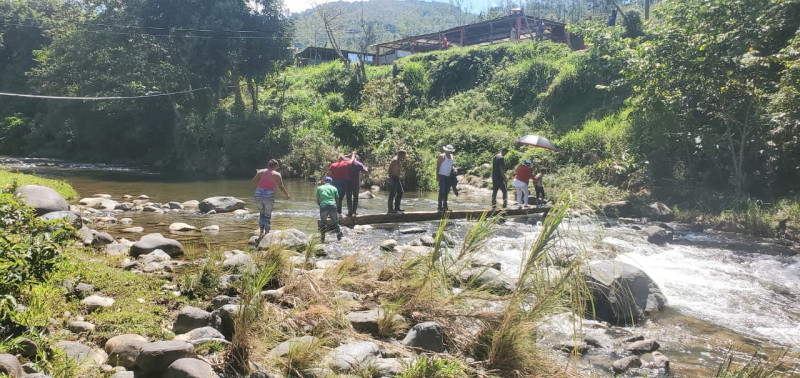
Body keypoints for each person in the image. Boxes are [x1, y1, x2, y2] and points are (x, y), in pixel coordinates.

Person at [252, 159, 290, 241]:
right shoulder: (277, 175)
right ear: (275, 166)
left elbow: (253, 181)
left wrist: (259, 175)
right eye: (278, 165)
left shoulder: (260, 171)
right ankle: (267, 234)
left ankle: (261, 232)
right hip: (268, 195)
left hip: (258, 194)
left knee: (262, 213)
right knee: (267, 215)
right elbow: (280, 187)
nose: (278, 167)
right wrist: (286, 194)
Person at [316, 177, 342, 242]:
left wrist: (320, 205)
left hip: (323, 206)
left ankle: (322, 239)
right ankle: (339, 239)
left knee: (323, 223)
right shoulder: (334, 188)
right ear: (331, 182)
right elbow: (337, 199)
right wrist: (336, 207)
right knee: (336, 223)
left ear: (324, 181)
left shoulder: (319, 188)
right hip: (332, 206)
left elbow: (318, 200)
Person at [346, 151, 368, 217]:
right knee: (355, 197)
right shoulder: (359, 164)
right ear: (357, 158)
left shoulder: (347, 162)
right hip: (355, 183)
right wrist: (366, 167)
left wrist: (350, 154)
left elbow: (342, 156)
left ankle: (349, 212)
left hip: (348, 183)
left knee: (348, 197)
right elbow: (366, 172)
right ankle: (354, 212)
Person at [436, 144, 455, 212]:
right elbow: (437, 166)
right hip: (442, 175)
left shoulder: (452, 156)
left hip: (448, 176)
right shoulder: (441, 156)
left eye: (449, 151)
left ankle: (445, 206)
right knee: (442, 191)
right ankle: (439, 207)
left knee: (446, 192)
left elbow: (451, 166)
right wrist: (437, 176)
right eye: (447, 150)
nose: (448, 152)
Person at [387, 149, 407, 213]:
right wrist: (391, 179)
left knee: (400, 192)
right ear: (400, 154)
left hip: (397, 179)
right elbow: (389, 170)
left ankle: (397, 208)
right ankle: (390, 209)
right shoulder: (394, 160)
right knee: (392, 194)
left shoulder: (399, 160)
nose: (404, 157)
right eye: (403, 155)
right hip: (393, 178)